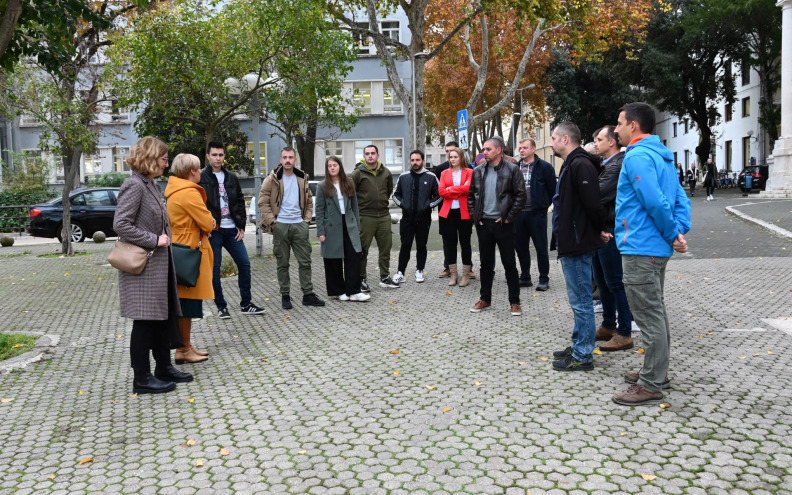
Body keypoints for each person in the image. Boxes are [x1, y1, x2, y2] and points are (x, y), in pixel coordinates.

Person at [612, 102, 692, 406]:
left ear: (634, 126)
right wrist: (679, 232)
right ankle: (656, 372)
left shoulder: (638, 157)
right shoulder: (663, 156)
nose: (616, 129)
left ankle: (651, 383)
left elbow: (656, 202)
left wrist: (674, 235)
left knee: (648, 315)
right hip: (654, 247)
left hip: (641, 248)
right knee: (655, 311)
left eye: (619, 123)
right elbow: (679, 198)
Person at [113, 136, 192, 394]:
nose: (166, 164)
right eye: (163, 159)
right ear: (149, 158)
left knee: (162, 319)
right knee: (145, 323)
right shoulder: (134, 186)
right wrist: (154, 240)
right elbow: (121, 225)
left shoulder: (151, 185)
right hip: (142, 268)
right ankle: (142, 378)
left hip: (158, 266)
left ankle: (163, 368)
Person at [549, 122, 606, 372]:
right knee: (578, 299)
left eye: (553, 138)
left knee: (582, 300)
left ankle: (584, 354)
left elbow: (593, 205)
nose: (551, 143)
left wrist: (600, 230)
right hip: (572, 241)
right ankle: (579, 343)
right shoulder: (573, 163)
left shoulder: (580, 164)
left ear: (564, 139)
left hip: (578, 242)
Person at [199, 142, 265, 319]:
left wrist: (241, 226)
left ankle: (246, 304)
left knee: (244, 264)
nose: (218, 158)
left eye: (221, 155)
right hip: (214, 231)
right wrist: (205, 227)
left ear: (224, 157)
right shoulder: (201, 177)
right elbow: (198, 205)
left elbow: (240, 200)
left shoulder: (231, 177)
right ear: (208, 156)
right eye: (214, 155)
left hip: (232, 230)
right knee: (215, 269)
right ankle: (221, 306)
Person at [259, 147, 325, 309]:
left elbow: (309, 201)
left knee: (305, 261)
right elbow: (263, 201)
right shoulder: (272, 179)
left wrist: (306, 220)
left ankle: (308, 295)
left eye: (290, 157)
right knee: (283, 263)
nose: (287, 160)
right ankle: (285, 296)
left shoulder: (302, 178)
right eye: (284, 157)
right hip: (280, 226)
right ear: (281, 159)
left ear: (295, 159)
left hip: (299, 225)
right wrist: (273, 222)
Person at [164, 153, 215, 365]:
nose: (202, 171)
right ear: (192, 171)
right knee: (186, 304)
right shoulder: (189, 193)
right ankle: (183, 348)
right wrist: (209, 222)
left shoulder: (175, 190)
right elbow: (207, 222)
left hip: (181, 247)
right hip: (190, 250)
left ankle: (186, 345)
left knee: (186, 302)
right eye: (198, 168)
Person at [468, 136, 526, 316]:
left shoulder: (512, 169)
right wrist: (475, 217)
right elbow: (471, 196)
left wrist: (509, 218)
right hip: (484, 223)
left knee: (509, 263)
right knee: (485, 264)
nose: (484, 152)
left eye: (488, 149)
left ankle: (514, 302)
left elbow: (521, 196)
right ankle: (485, 299)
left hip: (503, 224)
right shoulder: (478, 171)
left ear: (499, 150)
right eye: (483, 149)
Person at [591, 126, 634, 352]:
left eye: (599, 139)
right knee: (602, 280)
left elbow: (596, 195)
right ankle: (608, 324)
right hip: (600, 228)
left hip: (611, 229)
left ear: (612, 142)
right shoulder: (605, 164)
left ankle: (624, 332)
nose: (595, 143)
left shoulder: (617, 165)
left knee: (615, 282)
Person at [315, 156, 369, 302]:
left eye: (335, 165)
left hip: (349, 224)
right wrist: (320, 231)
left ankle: (354, 291)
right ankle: (339, 291)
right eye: (329, 166)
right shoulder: (322, 186)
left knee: (353, 257)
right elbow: (319, 210)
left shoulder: (348, 182)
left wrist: (357, 226)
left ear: (340, 166)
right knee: (333, 260)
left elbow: (355, 206)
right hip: (331, 226)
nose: (332, 168)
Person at [350, 145, 399, 291]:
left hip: (384, 216)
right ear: (364, 156)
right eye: (367, 154)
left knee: (385, 248)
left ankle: (385, 277)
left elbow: (389, 189)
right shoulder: (357, 173)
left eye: (372, 153)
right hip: (365, 216)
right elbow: (350, 193)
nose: (370, 156)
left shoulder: (386, 172)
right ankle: (361, 279)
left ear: (377, 155)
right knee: (362, 249)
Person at [392, 150, 441, 283]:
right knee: (405, 245)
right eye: (412, 160)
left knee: (421, 245)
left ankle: (419, 271)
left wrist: (427, 205)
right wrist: (404, 205)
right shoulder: (403, 177)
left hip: (424, 219)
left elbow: (439, 195)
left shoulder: (431, 177)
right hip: (407, 218)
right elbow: (395, 195)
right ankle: (400, 272)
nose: (415, 162)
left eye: (417, 160)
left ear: (423, 161)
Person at [513, 138, 556, 291]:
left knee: (540, 247)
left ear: (533, 149)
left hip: (537, 214)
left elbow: (553, 190)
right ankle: (525, 277)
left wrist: (543, 205)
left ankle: (544, 278)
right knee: (521, 247)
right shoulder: (514, 167)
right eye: (520, 147)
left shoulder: (545, 167)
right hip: (519, 214)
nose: (521, 150)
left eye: (525, 147)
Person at [438, 147, 474, 287]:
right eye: (450, 157)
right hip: (448, 213)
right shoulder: (444, 173)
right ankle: (453, 274)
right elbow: (441, 191)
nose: (452, 159)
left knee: (465, 243)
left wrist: (450, 189)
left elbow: (468, 188)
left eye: (455, 157)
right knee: (450, 244)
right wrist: (458, 191)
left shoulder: (469, 172)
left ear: (461, 158)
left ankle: (466, 275)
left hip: (464, 212)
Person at [432, 141, 459, 279]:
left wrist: (453, 191)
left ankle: (469, 267)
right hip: (445, 210)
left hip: (462, 209)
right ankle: (448, 266)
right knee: (447, 240)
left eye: (452, 151)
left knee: (465, 240)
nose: (449, 154)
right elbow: (440, 191)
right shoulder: (440, 169)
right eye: (447, 151)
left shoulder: (466, 168)